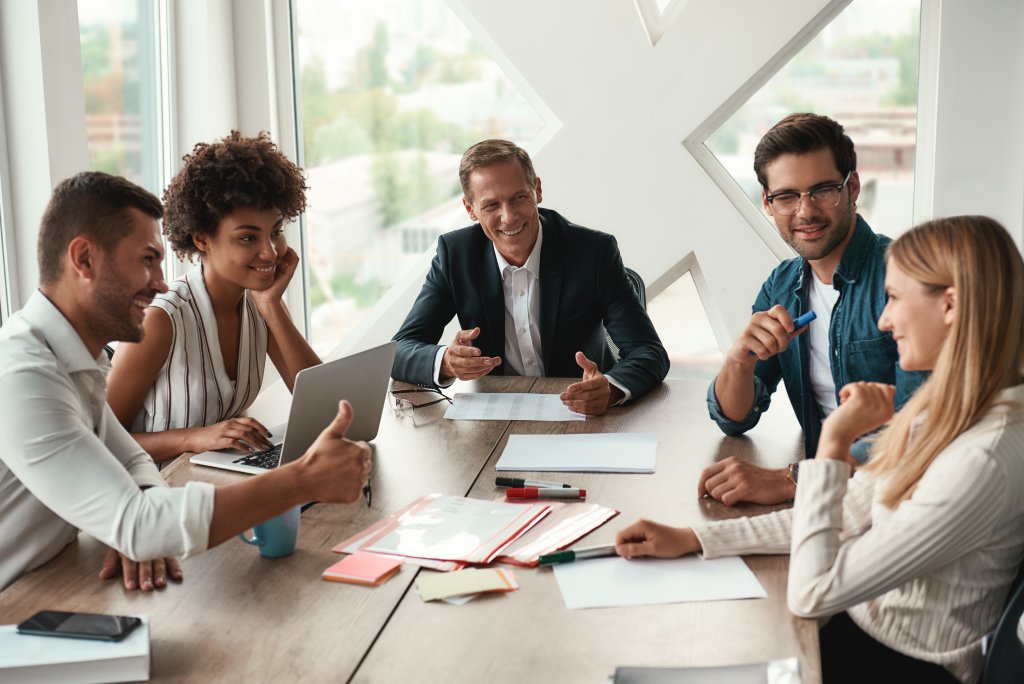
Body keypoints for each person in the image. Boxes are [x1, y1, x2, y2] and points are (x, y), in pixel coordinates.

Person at [616, 215, 1024, 683]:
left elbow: (812, 593)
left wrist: (832, 446)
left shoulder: (981, 457)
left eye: (893, 298)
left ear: (950, 306)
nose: (885, 320)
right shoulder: (953, 410)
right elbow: (847, 514)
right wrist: (696, 538)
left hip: (901, 664)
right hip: (859, 629)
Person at [0, 172, 370, 592]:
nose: (159, 282)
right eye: (146, 260)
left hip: (49, 578)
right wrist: (301, 480)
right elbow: (138, 522)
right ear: (84, 259)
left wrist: (144, 523)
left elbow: (131, 462)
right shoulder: (23, 376)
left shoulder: (71, 358)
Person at [703, 113, 924, 505]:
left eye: (822, 190)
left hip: (895, 498)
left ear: (852, 186)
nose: (805, 211)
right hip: (825, 496)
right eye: (787, 196)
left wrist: (794, 480)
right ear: (768, 204)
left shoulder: (905, 276)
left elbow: (925, 426)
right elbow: (735, 418)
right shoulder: (782, 286)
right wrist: (739, 361)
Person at [391, 139, 669, 415]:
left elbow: (649, 351)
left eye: (519, 198)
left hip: (581, 412)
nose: (509, 217)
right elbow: (399, 350)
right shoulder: (455, 256)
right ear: (470, 209)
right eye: (491, 205)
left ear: (537, 189)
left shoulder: (593, 252)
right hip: (495, 417)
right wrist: (445, 362)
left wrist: (610, 388)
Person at [106, 131, 320, 462]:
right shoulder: (161, 320)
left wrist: (272, 306)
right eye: (248, 237)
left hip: (216, 479)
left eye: (275, 231)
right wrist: (193, 438)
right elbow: (101, 443)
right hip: (155, 491)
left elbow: (326, 407)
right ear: (202, 239)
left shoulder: (262, 303)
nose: (270, 252)